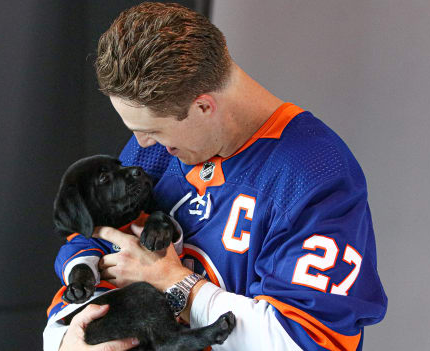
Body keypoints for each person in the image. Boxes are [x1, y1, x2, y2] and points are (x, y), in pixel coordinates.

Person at [43, 2, 387, 350]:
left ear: (204, 106)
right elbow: (91, 259)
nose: (142, 144)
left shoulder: (313, 173)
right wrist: (65, 341)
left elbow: (307, 341)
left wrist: (176, 284)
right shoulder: (151, 149)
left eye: (154, 131)